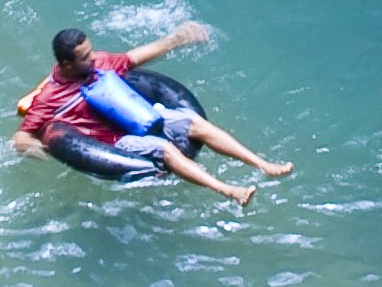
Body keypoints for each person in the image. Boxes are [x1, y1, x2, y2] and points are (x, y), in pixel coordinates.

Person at [15, 22, 294, 206]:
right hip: (114, 141)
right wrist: (50, 151)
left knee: (194, 123)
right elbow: (22, 136)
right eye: (85, 56)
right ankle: (230, 190)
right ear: (66, 64)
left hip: (140, 117)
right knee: (166, 149)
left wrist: (178, 39)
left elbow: (134, 58)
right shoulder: (51, 97)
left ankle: (263, 165)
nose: (93, 57)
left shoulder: (97, 64)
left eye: (91, 51)